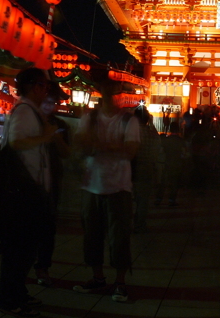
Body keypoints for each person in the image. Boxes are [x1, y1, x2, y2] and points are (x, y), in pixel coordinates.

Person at [0, 67, 61, 317]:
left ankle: (18, 293)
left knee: (26, 249)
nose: (46, 91)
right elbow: (16, 142)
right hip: (22, 192)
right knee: (18, 249)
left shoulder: (32, 111)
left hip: (30, 191)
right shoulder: (23, 110)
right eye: (44, 86)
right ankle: (7, 298)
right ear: (34, 87)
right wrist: (45, 136)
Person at [72, 77, 140, 303]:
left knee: (119, 237)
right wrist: (112, 146)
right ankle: (98, 277)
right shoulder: (90, 118)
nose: (113, 96)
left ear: (121, 95)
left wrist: (99, 145)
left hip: (119, 187)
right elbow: (80, 143)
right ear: (102, 93)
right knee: (92, 234)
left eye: (116, 92)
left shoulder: (129, 121)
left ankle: (120, 282)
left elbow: (130, 151)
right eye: (108, 92)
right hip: (92, 185)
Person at [34, 82, 70, 287]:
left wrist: (57, 139)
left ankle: (43, 267)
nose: (50, 106)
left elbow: (67, 154)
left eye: (54, 102)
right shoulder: (30, 120)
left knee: (48, 226)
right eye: (47, 101)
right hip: (30, 178)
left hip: (52, 179)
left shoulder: (60, 125)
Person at [132, 108, 162, 233]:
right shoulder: (152, 135)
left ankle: (131, 223)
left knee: (130, 199)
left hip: (132, 168)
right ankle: (140, 224)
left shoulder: (132, 132)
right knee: (143, 200)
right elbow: (157, 150)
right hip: (147, 169)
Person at [155, 119, 186, 207]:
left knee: (163, 182)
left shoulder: (166, 140)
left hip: (167, 163)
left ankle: (158, 199)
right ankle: (171, 200)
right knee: (174, 183)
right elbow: (184, 153)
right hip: (177, 164)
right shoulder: (180, 141)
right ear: (178, 129)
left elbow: (160, 151)